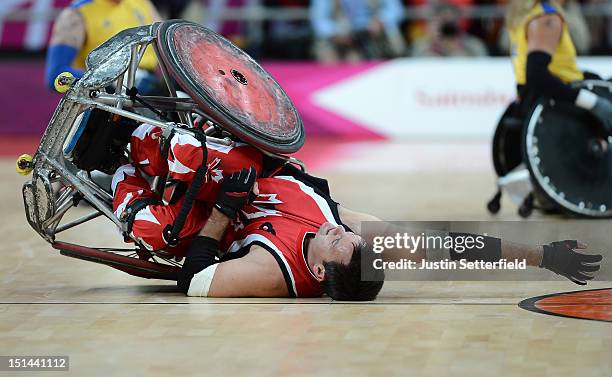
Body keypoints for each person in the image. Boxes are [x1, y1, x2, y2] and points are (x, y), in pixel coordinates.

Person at [112, 124, 602, 300]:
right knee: (209, 154)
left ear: (322, 269)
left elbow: (193, 281)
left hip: (214, 218)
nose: (339, 228)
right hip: (252, 169)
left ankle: (112, 172)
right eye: (351, 235)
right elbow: (454, 248)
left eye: (340, 240)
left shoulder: (275, 273)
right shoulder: (349, 234)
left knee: (156, 228)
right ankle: (136, 132)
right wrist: (544, 255)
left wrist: (221, 213)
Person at [505, 0, 612, 131]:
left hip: (530, 99)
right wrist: (592, 102)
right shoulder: (547, 18)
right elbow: (536, 75)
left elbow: (551, 69)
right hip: (555, 105)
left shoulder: (526, 15)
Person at [45, 0, 162, 93]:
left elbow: (169, 46)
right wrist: (108, 80)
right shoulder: (75, 14)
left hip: (151, 85)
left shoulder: (143, 3)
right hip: (107, 98)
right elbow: (56, 74)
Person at [310, 0, 406, 63]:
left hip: (372, 35)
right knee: (332, 57)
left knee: (393, 39)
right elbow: (319, 20)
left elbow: (396, 10)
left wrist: (381, 21)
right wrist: (336, 34)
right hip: (341, 38)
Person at [411, 2, 488, 57]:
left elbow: (483, 65)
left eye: (451, 22)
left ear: (458, 22)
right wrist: (433, 44)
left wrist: (459, 48)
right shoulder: (422, 44)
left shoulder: (474, 44)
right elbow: (413, 63)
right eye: (443, 21)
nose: (447, 27)